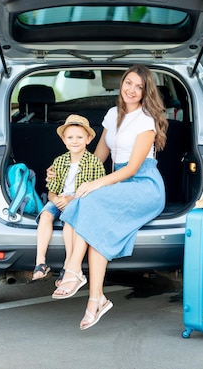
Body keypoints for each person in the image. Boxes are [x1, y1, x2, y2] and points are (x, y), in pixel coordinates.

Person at [50, 65, 169, 330]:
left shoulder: (146, 120)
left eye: (139, 86)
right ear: (121, 84)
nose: (132, 90)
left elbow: (132, 168)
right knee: (94, 227)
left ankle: (72, 270)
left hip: (143, 186)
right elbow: (99, 157)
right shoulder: (113, 114)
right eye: (128, 83)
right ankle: (96, 299)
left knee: (88, 201)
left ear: (146, 91)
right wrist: (72, 178)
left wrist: (93, 185)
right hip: (118, 182)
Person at [30, 114, 106, 282]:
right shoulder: (59, 162)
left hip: (79, 201)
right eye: (70, 137)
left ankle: (67, 266)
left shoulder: (94, 163)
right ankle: (40, 262)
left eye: (79, 137)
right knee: (45, 216)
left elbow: (96, 193)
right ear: (64, 140)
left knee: (69, 223)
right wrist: (55, 199)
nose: (75, 141)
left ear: (88, 139)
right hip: (59, 198)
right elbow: (51, 190)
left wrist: (71, 201)